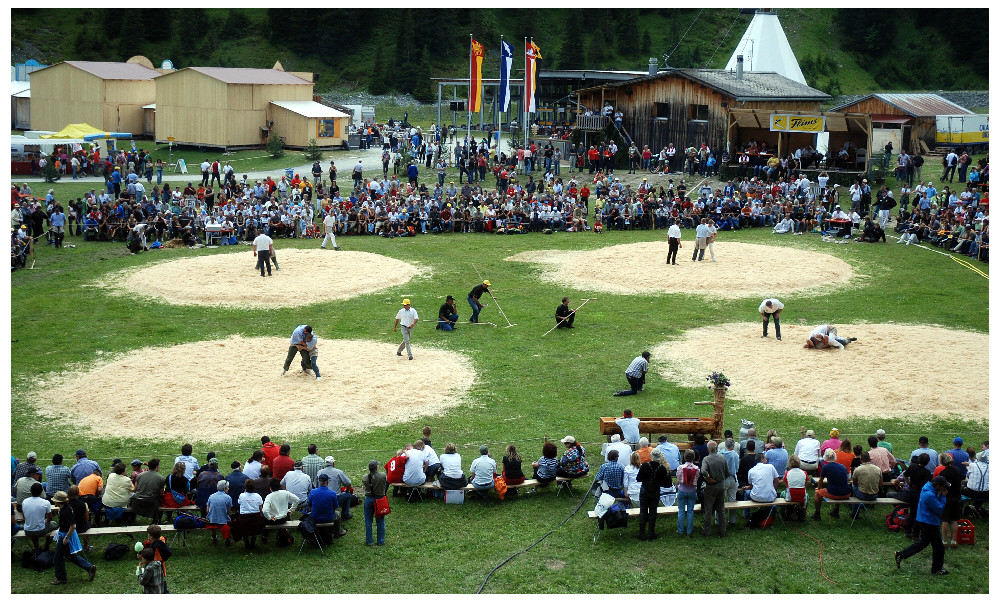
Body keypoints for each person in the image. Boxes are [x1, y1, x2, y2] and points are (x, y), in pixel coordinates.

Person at [895, 476, 951, 575]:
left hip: (923, 519)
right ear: (937, 485)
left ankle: (901, 554)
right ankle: (937, 569)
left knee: (924, 542)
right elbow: (939, 509)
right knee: (939, 547)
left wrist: (939, 494)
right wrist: (943, 496)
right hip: (929, 522)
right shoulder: (929, 495)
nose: (944, 489)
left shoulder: (927, 487)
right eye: (942, 487)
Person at [49, 490, 97, 585]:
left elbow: (73, 526)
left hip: (65, 536)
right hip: (64, 534)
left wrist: (66, 537)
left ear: (59, 502)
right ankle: (89, 567)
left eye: (55, 500)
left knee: (58, 557)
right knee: (69, 555)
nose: (54, 502)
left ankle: (61, 578)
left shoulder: (65, 511)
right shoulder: (65, 508)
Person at [636, 448, 672, 540]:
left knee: (643, 511)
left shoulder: (645, 466)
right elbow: (666, 484)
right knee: (653, 512)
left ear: (651, 456)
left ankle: (641, 532)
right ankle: (651, 533)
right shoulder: (662, 468)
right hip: (655, 491)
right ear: (660, 457)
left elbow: (638, 479)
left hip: (644, 490)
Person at [700, 441, 729, 538]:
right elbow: (727, 472)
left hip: (711, 487)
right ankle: (722, 531)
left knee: (708, 510)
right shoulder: (722, 458)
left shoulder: (706, 459)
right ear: (716, 448)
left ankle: (707, 532)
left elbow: (703, 471)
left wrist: (708, 478)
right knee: (721, 510)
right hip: (721, 485)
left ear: (708, 449)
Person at [812, 449, 851, 520]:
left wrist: (819, 489)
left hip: (834, 493)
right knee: (837, 488)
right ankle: (836, 511)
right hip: (846, 493)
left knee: (817, 494)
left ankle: (817, 514)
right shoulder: (842, 467)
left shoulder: (826, 467)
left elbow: (820, 480)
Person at [308, 473, 346, 544]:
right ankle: (337, 532)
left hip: (315, 517)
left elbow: (309, 505)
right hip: (328, 517)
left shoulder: (313, 492)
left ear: (319, 482)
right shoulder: (332, 493)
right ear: (327, 482)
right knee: (338, 513)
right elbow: (335, 506)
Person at [22, 482, 56, 550]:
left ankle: (37, 548)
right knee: (54, 524)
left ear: (31, 491)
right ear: (41, 492)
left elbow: (24, 516)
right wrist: (46, 521)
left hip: (27, 531)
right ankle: (46, 546)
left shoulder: (24, 502)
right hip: (40, 530)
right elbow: (50, 517)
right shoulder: (46, 502)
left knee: (34, 526)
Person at [362, 460, 387, 546]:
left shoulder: (365, 477)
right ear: (376, 467)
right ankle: (381, 541)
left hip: (369, 498)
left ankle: (369, 541)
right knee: (380, 521)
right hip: (379, 499)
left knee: (368, 521)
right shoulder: (383, 476)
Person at [206, 480, 233, 545]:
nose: (228, 488)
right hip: (223, 521)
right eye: (227, 487)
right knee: (228, 521)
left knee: (214, 521)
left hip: (212, 520)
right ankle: (227, 539)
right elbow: (228, 512)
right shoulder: (228, 498)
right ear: (224, 488)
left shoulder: (211, 496)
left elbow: (207, 510)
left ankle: (214, 537)